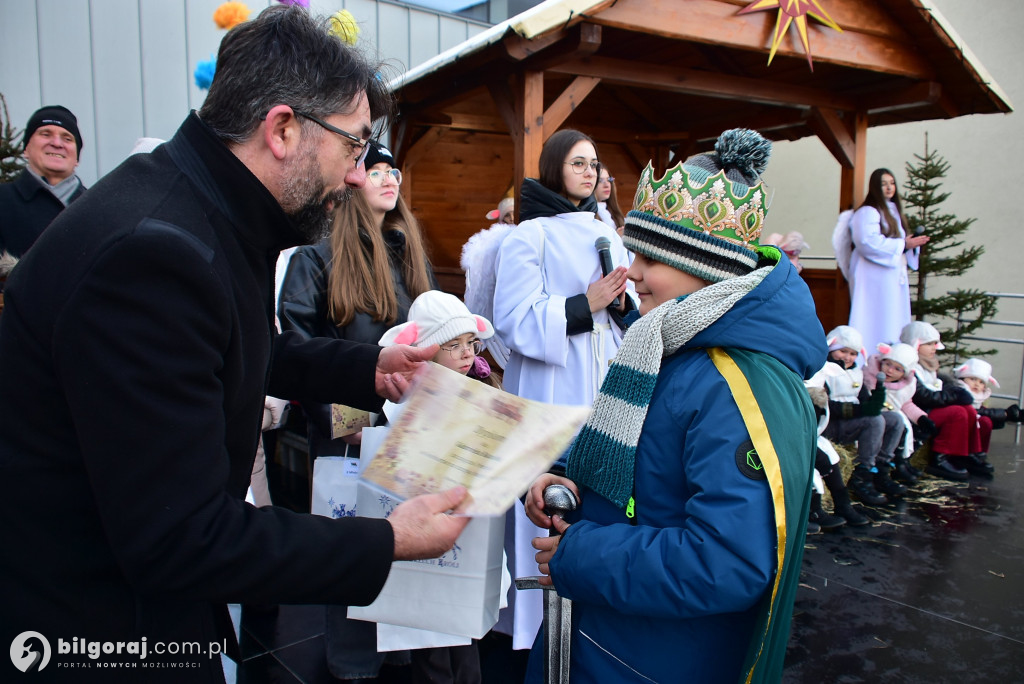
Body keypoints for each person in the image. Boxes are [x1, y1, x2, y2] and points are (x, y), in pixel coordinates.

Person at [0, 7, 469, 681]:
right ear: (282, 129)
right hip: (95, 636)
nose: (361, 176)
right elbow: (181, 536)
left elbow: (239, 350)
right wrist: (388, 539)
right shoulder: (153, 256)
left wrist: (373, 367)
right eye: (354, 146)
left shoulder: (205, 211)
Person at [521, 128, 824, 684]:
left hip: (655, 657)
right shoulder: (672, 348)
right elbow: (644, 458)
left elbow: (727, 562)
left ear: (702, 268)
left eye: (649, 257)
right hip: (613, 635)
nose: (632, 272)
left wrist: (581, 554)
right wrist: (569, 476)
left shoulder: (734, 386)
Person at [277, 139, 435, 679]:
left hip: (407, 429)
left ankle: (404, 661)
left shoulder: (409, 251)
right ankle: (352, 667)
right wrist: (341, 418)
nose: (390, 179)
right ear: (351, 181)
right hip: (347, 432)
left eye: (395, 171)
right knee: (350, 545)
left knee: (407, 544)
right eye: (376, 170)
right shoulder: (314, 257)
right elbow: (295, 343)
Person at [490, 129, 633, 654]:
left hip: (599, 386)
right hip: (552, 387)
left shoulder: (608, 234)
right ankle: (535, 628)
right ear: (554, 168)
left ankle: (590, 611)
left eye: (595, 163)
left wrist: (618, 307)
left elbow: (627, 309)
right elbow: (512, 321)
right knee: (545, 497)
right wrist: (585, 303)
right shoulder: (529, 236)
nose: (591, 172)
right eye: (579, 162)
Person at [820, 325, 907, 505]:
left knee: (895, 420)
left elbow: (865, 400)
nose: (848, 357)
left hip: (849, 423)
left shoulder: (856, 373)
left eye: (853, 353)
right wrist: (861, 411)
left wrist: (874, 400)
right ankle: (861, 475)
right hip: (830, 425)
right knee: (873, 421)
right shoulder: (823, 370)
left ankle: (880, 469)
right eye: (843, 351)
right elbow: (824, 405)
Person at [847, 168, 930, 353]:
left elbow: (899, 243)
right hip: (874, 276)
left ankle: (892, 355)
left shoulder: (893, 211)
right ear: (875, 186)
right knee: (875, 316)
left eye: (892, 183)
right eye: (884, 184)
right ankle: (869, 354)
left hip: (891, 276)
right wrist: (903, 244)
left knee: (892, 315)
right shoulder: (868, 212)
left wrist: (911, 244)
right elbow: (866, 241)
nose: (889, 187)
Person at [0, 105, 87, 260]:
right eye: (45, 134)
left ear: (77, 159)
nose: (57, 143)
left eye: (67, 138)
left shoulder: (96, 205)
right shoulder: (3, 200)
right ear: (26, 149)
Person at [900, 321, 985, 480]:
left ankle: (967, 453)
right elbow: (922, 396)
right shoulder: (908, 365)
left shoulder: (927, 364)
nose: (934, 348)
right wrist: (953, 396)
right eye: (929, 344)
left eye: (935, 344)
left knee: (968, 410)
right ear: (915, 343)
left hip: (929, 407)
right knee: (957, 412)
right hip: (917, 411)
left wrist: (953, 392)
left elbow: (935, 387)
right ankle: (939, 458)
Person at [863, 342, 927, 485]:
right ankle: (874, 469)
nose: (890, 371)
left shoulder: (907, 385)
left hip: (894, 417)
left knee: (903, 428)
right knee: (893, 424)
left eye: (897, 369)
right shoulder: (869, 378)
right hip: (874, 418)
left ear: (905, 373)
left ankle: (896, 463)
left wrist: (921, 418)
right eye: (888, 364)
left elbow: (906, 404)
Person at [955, 358, 1022, 461]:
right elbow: (973, 411)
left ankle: (980, 453)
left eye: (981, 382)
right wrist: (1004, 414)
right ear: (963, 378)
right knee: (984, 420)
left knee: (986, 422)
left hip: (971, 422)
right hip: (960, 424)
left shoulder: (978, 397)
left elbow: (980, 411)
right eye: (973, 379)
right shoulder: (958, 391)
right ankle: (968, 454)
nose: (977, 384)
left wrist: (1004, 415)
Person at [594, 166, 624, 234]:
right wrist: (618, 238)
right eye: (600, 181)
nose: (607, 185)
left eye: (609, 180)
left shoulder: (613, 212)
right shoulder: (587, 215)